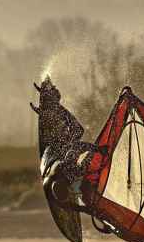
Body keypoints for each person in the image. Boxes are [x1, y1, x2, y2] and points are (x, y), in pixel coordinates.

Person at [31, 77, 99, 205]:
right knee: (76, 132)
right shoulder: (68, 174)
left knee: (76, 132)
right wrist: (94, 152)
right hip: (56, 153)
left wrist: (96, 150)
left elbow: (77, 147)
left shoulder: (66, 170)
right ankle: (53, 108)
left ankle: (53, 107)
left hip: (55, 151)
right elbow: (78, 150)